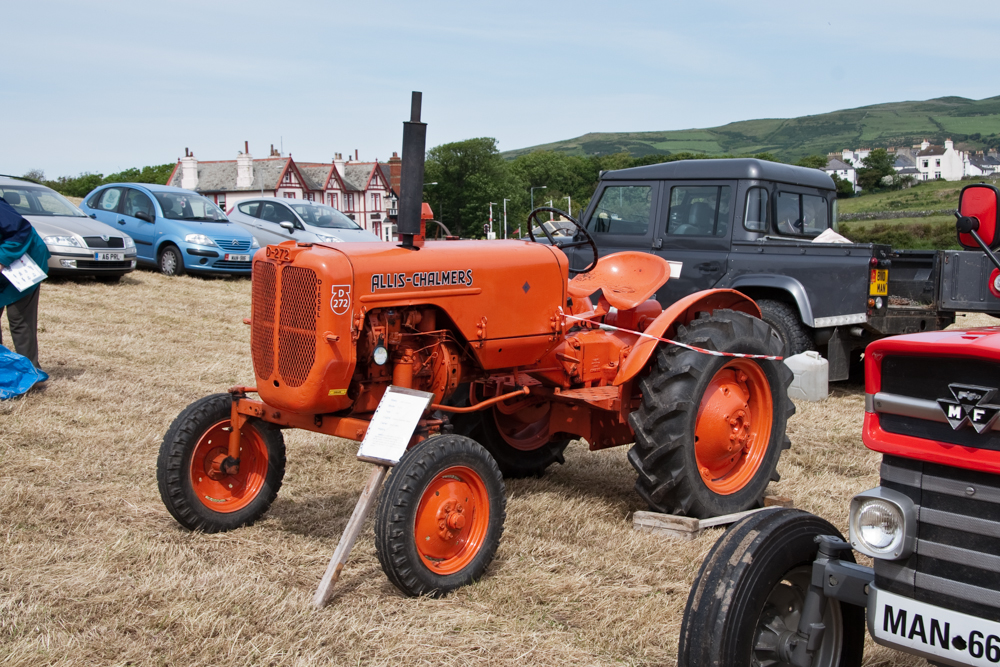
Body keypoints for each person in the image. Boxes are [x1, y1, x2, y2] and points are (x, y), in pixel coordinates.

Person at [0, 195, 51, 370]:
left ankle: (31, 373)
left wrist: (2, 259)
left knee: (18, 317)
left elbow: (21, 231)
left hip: (24, 261)